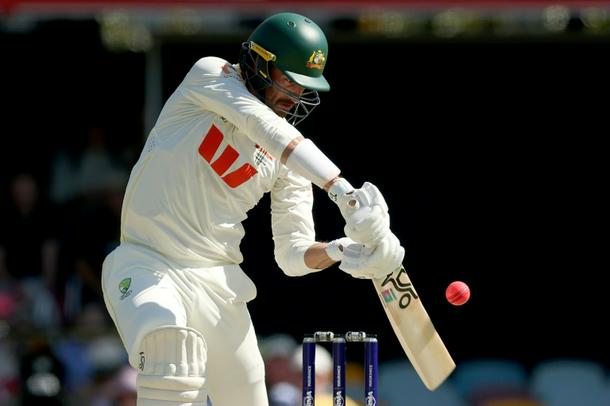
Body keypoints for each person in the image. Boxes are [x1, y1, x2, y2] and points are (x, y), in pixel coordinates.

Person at [101, 11, 404, 406]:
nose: (295, 95)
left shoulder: (290, 160)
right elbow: (263, 126)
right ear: (260, 63)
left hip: (218, 283)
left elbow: (292, 255)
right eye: (289, 80)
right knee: (169, 352)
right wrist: (343, 192)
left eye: (303, 86)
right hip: (147, 262)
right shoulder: (209, 76)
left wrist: (342, 249)